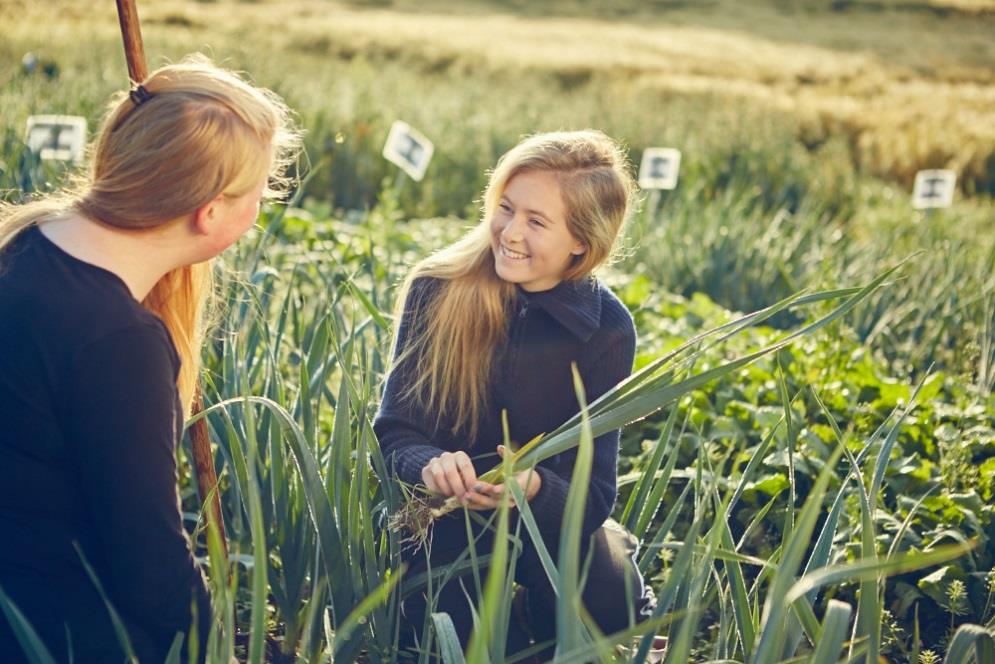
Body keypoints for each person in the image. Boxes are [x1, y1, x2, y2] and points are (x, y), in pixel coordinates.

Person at [0, 55, 301, 663]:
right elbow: (149, 569)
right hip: (54, 634)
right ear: (210, 211)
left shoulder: (26, 244)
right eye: (258, 193)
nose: (259, 210)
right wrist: (230, 654)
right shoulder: (118, 341)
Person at [374, 130, 656, 658]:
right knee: (451, 643)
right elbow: (396, 430)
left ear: (582, 240)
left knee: (610, 611)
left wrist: (533, 490)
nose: (510, 233)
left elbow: (592, 494)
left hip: (544, 519)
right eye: (506, 208)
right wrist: (429, 464)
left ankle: (561, 594)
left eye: (537, 221)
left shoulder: (607, 330)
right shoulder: (438, 288)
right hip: (443, 513)